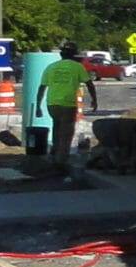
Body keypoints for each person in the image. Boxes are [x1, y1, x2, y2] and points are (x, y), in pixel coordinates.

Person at [36, 39, 99, 173]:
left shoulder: (51, 67)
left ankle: (54, 153)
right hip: (68, 104)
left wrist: (38, 106)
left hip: (52, 104)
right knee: (66, 134)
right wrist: (94, 100)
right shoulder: (77, 67)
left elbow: (42, 87)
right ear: (74, 55)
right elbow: (89, 84)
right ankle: (60, 163)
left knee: (56, 128)